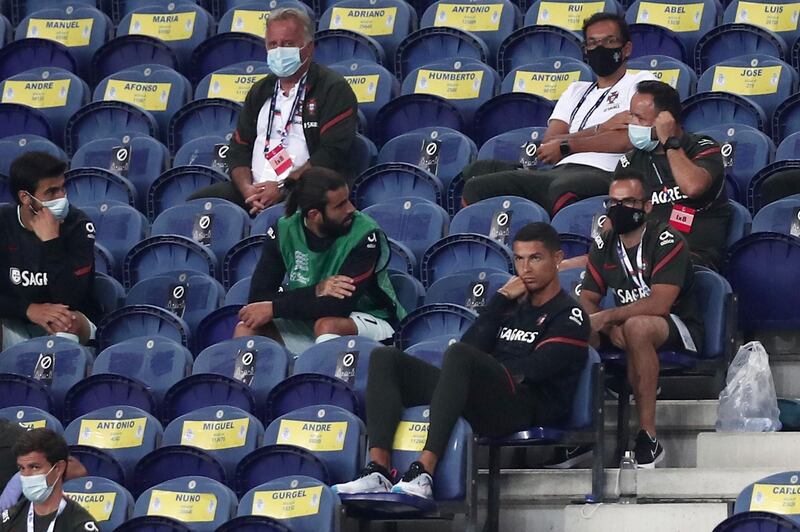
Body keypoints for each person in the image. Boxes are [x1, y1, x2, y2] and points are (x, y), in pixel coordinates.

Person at [332, 223, 590, 499]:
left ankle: (424, 472)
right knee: (386, 358)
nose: (525, 268)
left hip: (527, 405)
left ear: (558, 259)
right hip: (488, 395)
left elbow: (537, 369)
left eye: (535, 258)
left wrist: (483, 374)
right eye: (519, 258)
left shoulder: (569, 314)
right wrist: (499, 301)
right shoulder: (509, 306)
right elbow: (470, 347)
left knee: (460, 357)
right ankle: (378, 470)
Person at [460, 12, 655, 215]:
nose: (600, 48)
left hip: (608, 172)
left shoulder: (640, 82)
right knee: (477, 185)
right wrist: (601, 129)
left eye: (609, 41)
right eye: (593, 43)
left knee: (563, 189)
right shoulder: (575, 90)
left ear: (627, 49)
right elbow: (548, 146)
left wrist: (568, 145)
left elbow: (629, 137)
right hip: (558, 171)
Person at [579, 171, 703, 468]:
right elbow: (587, 297)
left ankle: (648, 437)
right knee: (574, 326)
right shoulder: (604, 242)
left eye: (628, 202)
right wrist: (607, 325)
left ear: (646, 206)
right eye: (613, 202)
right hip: (623, 323)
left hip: (677, 323)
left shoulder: (667, 238)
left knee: (637, 326)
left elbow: (660, 304)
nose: (618, 209)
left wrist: (609, 316)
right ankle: (579, 433)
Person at [188, 7, 358, 215]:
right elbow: (239, 149)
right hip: (254, 190)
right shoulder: (260, 90)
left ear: (309, 47)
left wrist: (282, 188)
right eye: (273, 45)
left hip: (304, 191)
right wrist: (248, 190)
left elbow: (331, 154)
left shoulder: (333, 88)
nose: (279, 51)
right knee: (194, 204)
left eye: (287, 44)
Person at [235, 168, 405, 355]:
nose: (351, 209)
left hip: (370, 320)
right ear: (315, 215)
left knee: (327, 324)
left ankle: (325, 382)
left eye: (347, 200)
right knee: (247, 328)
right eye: (340, 205)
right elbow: (259, 298)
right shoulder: (284, 230)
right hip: (310, 318)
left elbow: (338, 305)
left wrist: (275, 307)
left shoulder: (365, 233)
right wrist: (316, 290)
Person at [615, 80, 728, 270]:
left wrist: (669, 141)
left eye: (640, 118)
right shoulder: (630, 162)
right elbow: (615, 218)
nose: (632, 123)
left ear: (666, 120)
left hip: (693, 256)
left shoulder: (703, 147)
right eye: (631, 115)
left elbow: (693, 187)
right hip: (641, 257)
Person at [0, 153, 97, 350]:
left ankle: (61, 378)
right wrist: (28, 309)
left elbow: (71, 298)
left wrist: (51, 242)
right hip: (17, 319)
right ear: (25, 198)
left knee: (65, 322)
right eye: (52, 192)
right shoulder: (3, 223)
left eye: (63, 188)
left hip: (67, 319)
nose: (62, 198)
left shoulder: (78, 226)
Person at [0, 428, 99, 531]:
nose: (26, 475)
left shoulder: (79, 525)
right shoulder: (11, 518)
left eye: (35, 467)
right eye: (22, 468)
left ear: (58, 468)